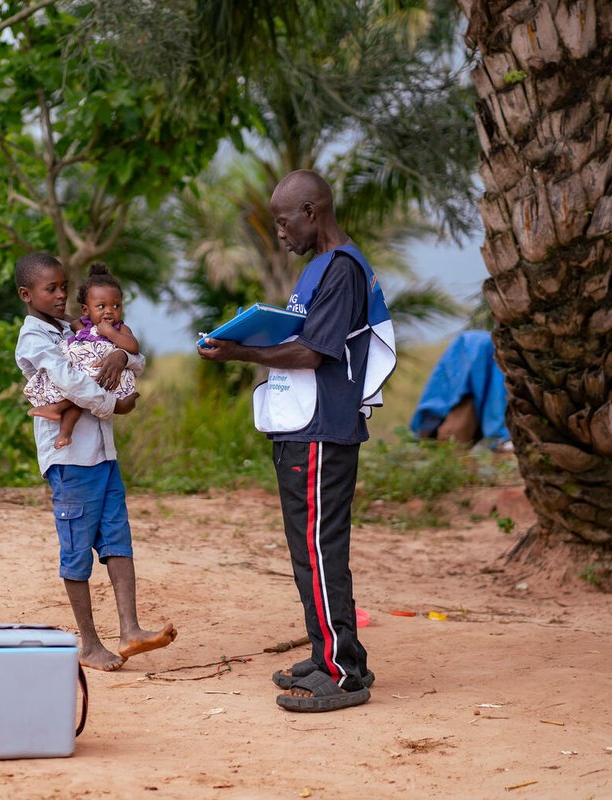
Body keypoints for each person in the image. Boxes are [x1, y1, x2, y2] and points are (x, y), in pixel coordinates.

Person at [197, 169, 396, 712]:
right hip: (303, 426)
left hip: (322, 428)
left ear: (312, 212)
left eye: (284, 222)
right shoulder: (319, 267)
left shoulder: (343, 269)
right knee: (308, 550)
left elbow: (312, 352)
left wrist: (240, 351)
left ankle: (343, 673)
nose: (281, 233)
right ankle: (329, 653)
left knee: (320, 548)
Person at [14, 252, 177, 671]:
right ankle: (88, 644)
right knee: (76, 550)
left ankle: (130, 629)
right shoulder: (34, 339)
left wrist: (122, 357)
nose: (60, 295)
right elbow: (70, 382)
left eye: (64, 287)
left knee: (118, 539)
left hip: (104, 455)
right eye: (50, 289)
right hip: (70, 460)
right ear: (26, 295)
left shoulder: (75, 326)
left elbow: (135, 357)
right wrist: (113, 404)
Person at [25, 263, 141, 449]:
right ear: (86, 310)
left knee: (82, 392)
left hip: (103, 384)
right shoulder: (41, 335)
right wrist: (116, 406)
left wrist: (118, 348)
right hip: (72, 456)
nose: (109, 311)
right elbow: (71, 382)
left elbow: (134, 349)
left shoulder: (120, 328)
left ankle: (60, 414)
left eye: (116, 306)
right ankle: (64, 430)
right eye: (101, 306)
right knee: (78, 397)